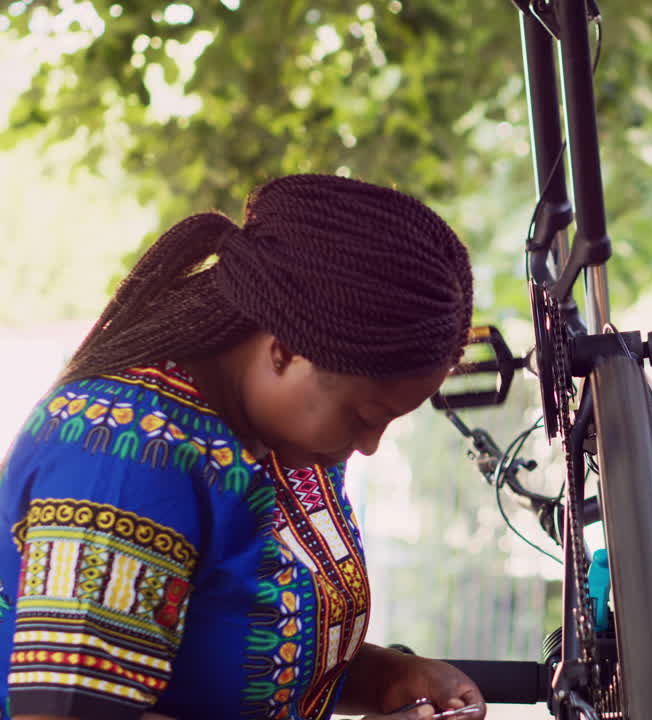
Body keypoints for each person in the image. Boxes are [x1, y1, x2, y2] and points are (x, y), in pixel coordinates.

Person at [0, 175, 486, 720]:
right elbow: (67, 715)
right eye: (364, 417)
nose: (368, 446)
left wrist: (387, 678)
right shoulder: (126, 455)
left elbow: (227, 652)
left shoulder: (284, 448)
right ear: (285, 351)